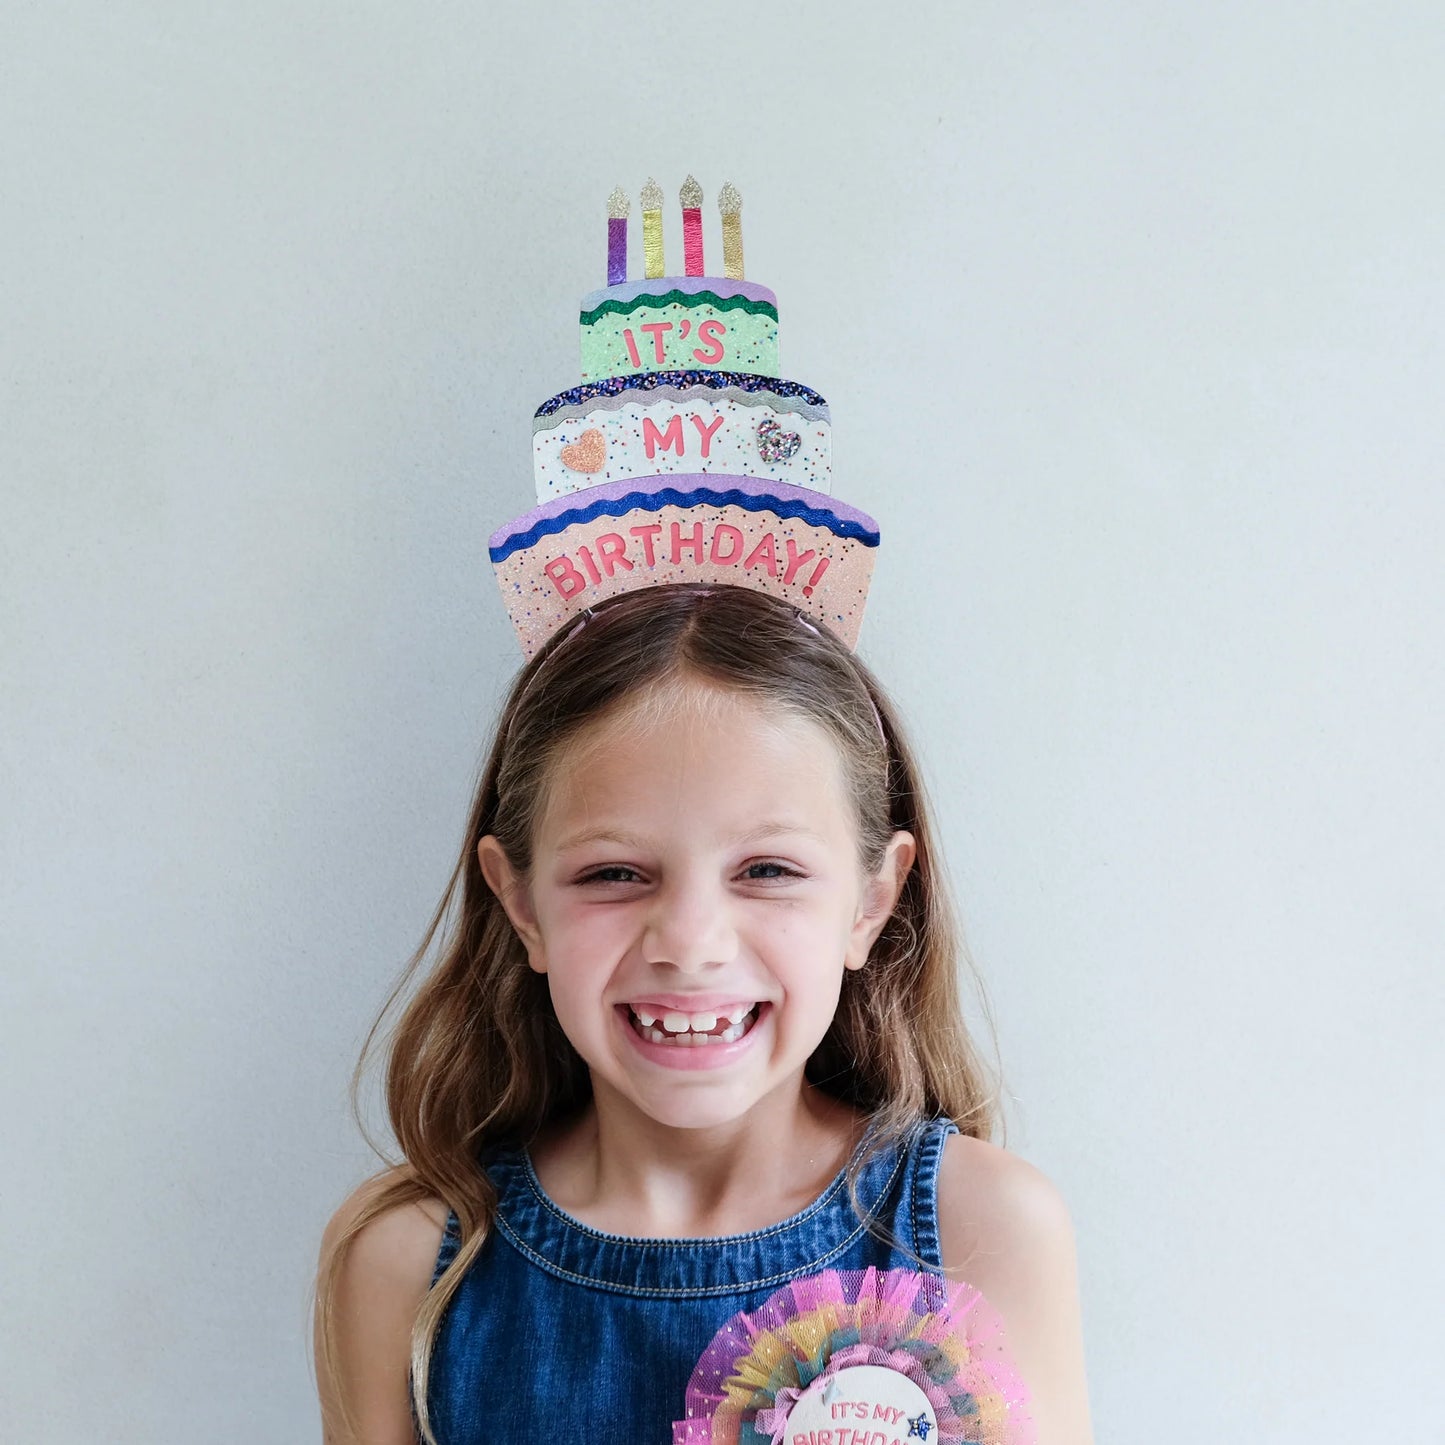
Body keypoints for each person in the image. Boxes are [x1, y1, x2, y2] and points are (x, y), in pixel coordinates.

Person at [310, 581, 1094, 1443]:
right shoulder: (407, 1263)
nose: (689, 942)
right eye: (613, 873)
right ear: (522, 904)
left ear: (872, 900)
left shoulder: (981, 1227)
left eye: (766, 870)